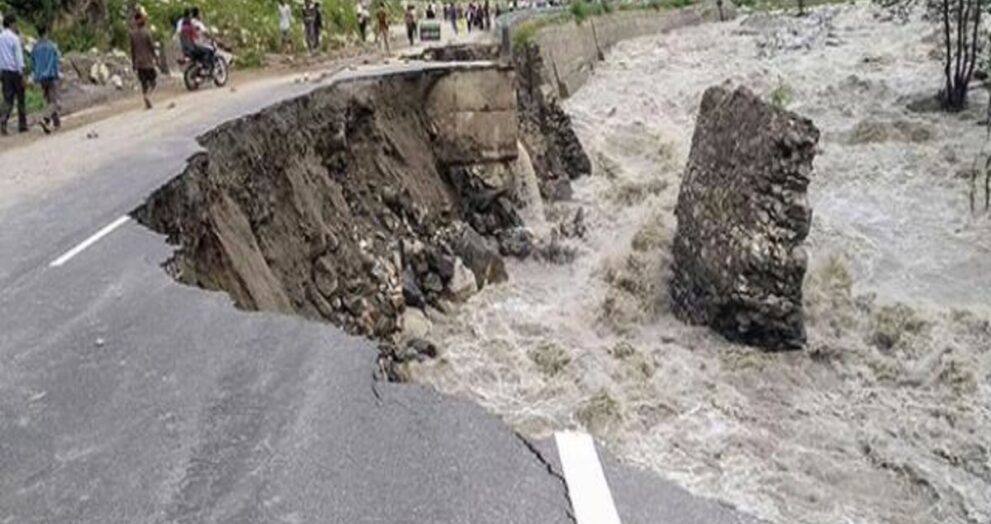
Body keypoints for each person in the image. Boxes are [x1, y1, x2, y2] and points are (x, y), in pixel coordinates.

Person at [31, 24, 60, 133]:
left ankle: (56, 122)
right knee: (54, 102)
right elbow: (54, 62)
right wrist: (56, 74)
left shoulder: (35, 48)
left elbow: (33, 62)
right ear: (46, 32)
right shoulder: (52, 46)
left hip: (40, 77)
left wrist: (36, 76)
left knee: (49, 100)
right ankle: (45, 118)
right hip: (50, 76)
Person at [0, 13, 25, 135]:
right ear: (11, 24)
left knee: (7, 98)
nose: (16, 26)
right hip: (14, 71)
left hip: (3, 72)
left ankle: (3, 119)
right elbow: (18, 57)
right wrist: (22, 73)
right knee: (20, 98)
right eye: (15, 23)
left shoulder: (0, 38)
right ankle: (22, 125)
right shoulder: (14, 38)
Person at [131, 10, 158, 109]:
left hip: (139, 63)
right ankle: (148, 95)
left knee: (143, 83)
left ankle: (145, 99)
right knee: (153, 81)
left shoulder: (133, 34)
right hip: (148, 62)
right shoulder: (147, 32)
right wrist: (156, 58)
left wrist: (133, 63)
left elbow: (132, 50)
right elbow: (152, 47)